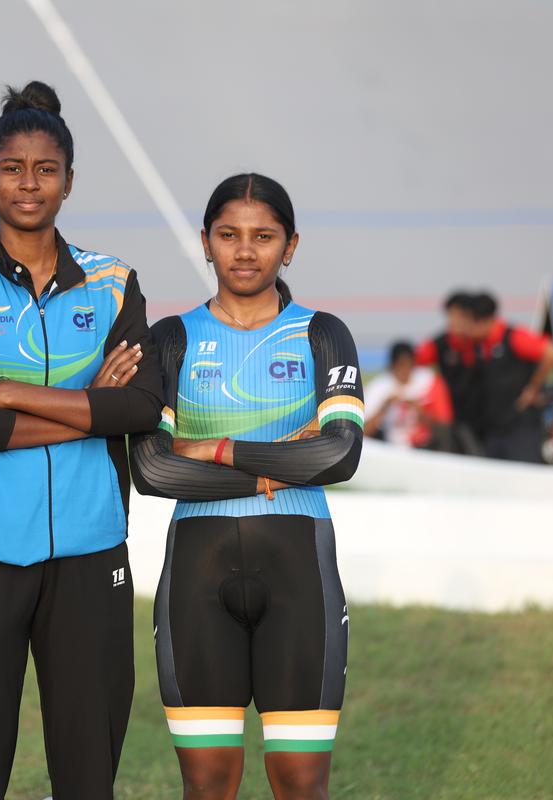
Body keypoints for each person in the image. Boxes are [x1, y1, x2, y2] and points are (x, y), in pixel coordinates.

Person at [0, 81, 163, 798]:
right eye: (13, 169)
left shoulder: (113, 283)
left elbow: (140, 407)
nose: (29, 184)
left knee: (88, 770)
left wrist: (8, 391)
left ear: (69, 181)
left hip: (91, 550)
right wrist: (90, 408)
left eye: (45, 169)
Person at [130, 173, 362, 800]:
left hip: (299, 570)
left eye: (264, 237)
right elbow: (153, 470)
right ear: (206, 242)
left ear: (291, 246)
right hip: (197, 573)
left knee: (300, 782)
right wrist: (276, 464)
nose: (245, 251)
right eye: (229, 235)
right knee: (207, 784)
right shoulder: (171, 338)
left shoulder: (322, 333)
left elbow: (338, 454)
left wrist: (217, 448)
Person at [463, 291, 553, 462]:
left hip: (520, 424)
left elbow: (551, 353)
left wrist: (532, 388)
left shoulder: (514, 338)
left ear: (480, 320)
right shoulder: (480, 345)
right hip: (495, 425)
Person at [416, 291, 480, 453]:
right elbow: (411, 365)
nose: (454, 321)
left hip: (482, 418)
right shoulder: (439, 344)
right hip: (450, 419)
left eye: (459, 316)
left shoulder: (482, 343)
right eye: (451, 315)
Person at [364, 341, 454, 450]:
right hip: (388, 447)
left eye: (410, 365)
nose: (405, 371)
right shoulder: (378, 388)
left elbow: (444, 428)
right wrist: (384, 408)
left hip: (422, 448)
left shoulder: (428, 382)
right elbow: (363, 432)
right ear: (392, 366)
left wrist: (420, 412)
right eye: (401, 365)